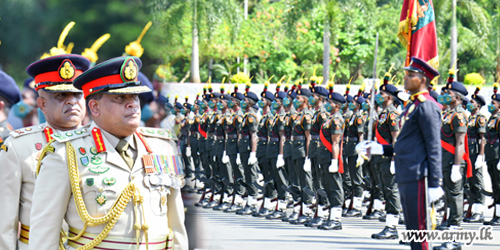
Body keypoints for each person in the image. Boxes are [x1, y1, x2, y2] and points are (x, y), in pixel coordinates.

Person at [29, 56, 188, 249]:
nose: (132, 104)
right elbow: (44, 235)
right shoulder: (64, 153)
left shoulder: (163, 145)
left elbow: (177, 224)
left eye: (134, 96)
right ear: (95, 107)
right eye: (120, 98)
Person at [0, 55, 89, 250]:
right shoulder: (19, 146)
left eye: (77, 95)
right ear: (42, 104)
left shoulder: (102, 143)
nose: (72, 101)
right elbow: (5, 223)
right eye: (61, 96)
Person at [356, 57, 444, 250]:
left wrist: (435, 183)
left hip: (419, 175)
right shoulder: (412, 107)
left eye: (410, 75)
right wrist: (378, 148)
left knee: (419, 231)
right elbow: (405, 144)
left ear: (422, 80)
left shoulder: (427, 106)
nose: (405, 78)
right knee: (413, 230)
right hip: (408, 174)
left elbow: (433, 145)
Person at [371, 77, 402, 239]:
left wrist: (393, 159)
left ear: (389, 97)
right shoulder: (383, 113)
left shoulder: (392, 114)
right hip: (381, 157)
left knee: (391, 190)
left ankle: (392, 227)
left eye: (381, 94)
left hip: (389, 157)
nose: (378, 96)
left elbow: (395, 138)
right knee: (385, 188)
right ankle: (390, 223)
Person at [317, 85, 346, 230]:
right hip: (325, 157)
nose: (327, 104)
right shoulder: (330, 118)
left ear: (336, 105)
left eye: (329, 103)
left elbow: (335, 142)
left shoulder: (337, 120)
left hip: (331, 157)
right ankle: (331, 216)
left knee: (334, 187)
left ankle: (336, 219)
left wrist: (335, 161)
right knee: (328, 186)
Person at [464, 87, 487, 223]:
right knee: (470, 181)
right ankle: (472, 208)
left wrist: (481, 155)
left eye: (472, 102)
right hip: (467, 151)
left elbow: (482, 137)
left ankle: (479, 211)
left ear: (477, 105)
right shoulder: (468, 118)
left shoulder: (480, 118)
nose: (469, 103)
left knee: (477, 182)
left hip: (475, 150)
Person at [483, 84, 500, 226]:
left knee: (499, 186)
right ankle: (496, 214)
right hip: (491, 156)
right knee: (495, 185)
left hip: (497, 156)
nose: (490, 105)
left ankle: (499, 215)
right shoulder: (492, 118)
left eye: (493, 103)